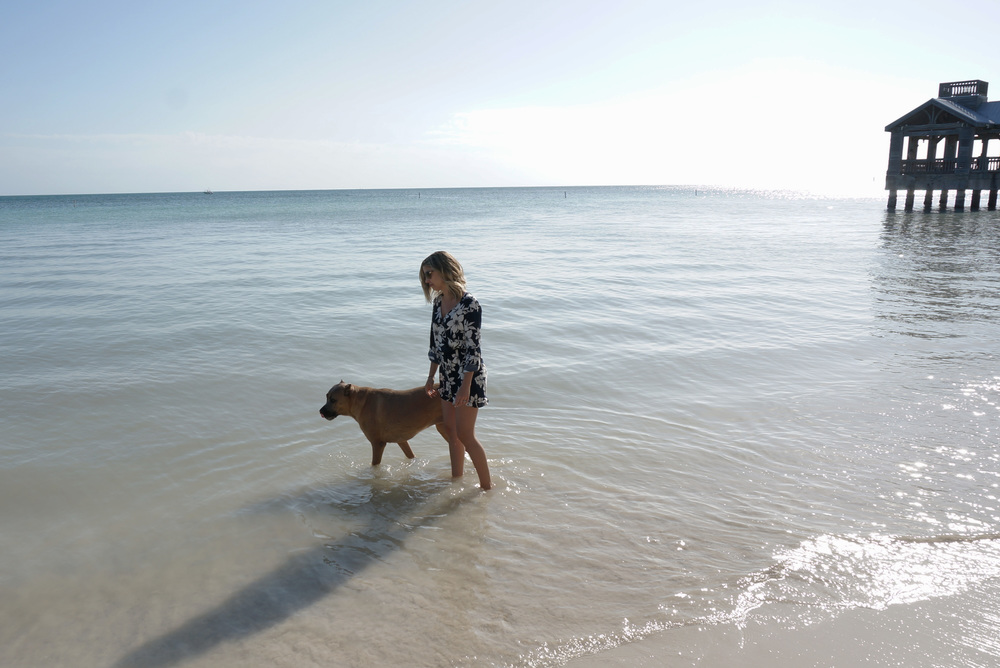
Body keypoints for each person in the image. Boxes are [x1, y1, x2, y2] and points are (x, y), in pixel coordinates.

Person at [420, 251, 492, 490]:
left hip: (468, 377)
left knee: (465, 435)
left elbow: (474, 349)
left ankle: (487, 489)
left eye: (430, 274)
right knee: (451, 431)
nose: (428, 280)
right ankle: (456, 481)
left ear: (445, 270)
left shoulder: (470, 304)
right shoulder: (439, 302)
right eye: (425, 276)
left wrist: (465, 385)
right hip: (447, 374)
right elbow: (435, 343)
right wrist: (431, 376)